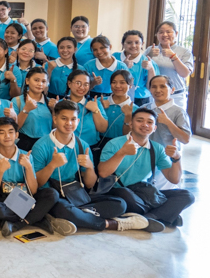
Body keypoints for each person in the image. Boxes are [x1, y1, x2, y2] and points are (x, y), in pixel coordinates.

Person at [32, 100, 147, 233]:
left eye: (73, 119)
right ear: (55, 119)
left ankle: (74, 216)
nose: (69, 123)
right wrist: (52, 165)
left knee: (120, 204)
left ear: (78, 121)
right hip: (53, 194)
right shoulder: (41, 145)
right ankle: (111, 223)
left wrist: (90, 167)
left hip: (75, 193)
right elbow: (37, 184)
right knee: (62, 208)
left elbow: (89, 184)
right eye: (64, 118)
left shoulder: (83, 145)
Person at [98, 108, 194, 231]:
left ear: (154, 128)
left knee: (187, 196)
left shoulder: (157, 148)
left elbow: (174, 179)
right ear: (131, 124)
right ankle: (165, 215)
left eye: (150, 122)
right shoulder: (114, 144)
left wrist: (176, 158)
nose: (145, 125)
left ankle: (147, 219)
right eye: (140, 121)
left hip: (144, 192)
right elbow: (103, 173)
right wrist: (121, 153)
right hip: (119, 191)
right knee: (126, 197)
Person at [0, 117, 66, 237]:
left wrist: (28, 167)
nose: (7, 136)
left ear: (17, 135)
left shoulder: (26, 155)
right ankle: (36, 217)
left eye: (11, 132)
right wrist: (0, 171)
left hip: (25, 197)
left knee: (52, 194)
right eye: (2, 132)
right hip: (3, 199)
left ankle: (18, 224)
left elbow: (33, 190)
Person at [145, 75, 191, 191]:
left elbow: (185, 139)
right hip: (145, 158)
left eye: (163, 86)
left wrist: (168, 122)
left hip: (166, 160)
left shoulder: (178, 112)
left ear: (172, 89)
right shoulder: (145, 109)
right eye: (154, 87)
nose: (158, 90)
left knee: (164, 193)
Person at [145, 21, 193, 110]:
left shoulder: (184, 52)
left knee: (174, 122)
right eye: (161, 32)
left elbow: (185, 73)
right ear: (157, 35)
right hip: (154, 94)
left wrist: (173, 57)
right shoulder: (150, 49)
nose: (165, 34)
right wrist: (149, 55)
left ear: (176, 33)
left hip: (176, 96)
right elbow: (143, 71)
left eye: (168, 32)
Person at [12, 67, 53, 151]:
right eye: (36, 80)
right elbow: (13, 128)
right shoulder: (17, 101)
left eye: (43, 81)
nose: (40, 84)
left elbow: (56, 128)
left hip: (46, 144)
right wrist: (26, 110)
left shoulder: (51, 103)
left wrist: (55, 111)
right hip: (23, 144)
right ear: (27, 81)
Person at [64, 70, 107, 148]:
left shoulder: (95, 103)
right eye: (78, 83)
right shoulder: (61, 103)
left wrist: (95, 111)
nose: (81, 87)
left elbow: (102, 129)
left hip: (90, 147)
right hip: (66, 147)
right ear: (69, 84)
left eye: (86, 84)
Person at [115, 30, 158, 106]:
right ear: (122, 44)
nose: (133, 46)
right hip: (116, 96)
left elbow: (151, 87)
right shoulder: (115, 57)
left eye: (137, 42)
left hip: (141, 100)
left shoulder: (148, 62)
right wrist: (123, 66)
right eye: (129, 43)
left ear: (142, 44)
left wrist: (151, 69)